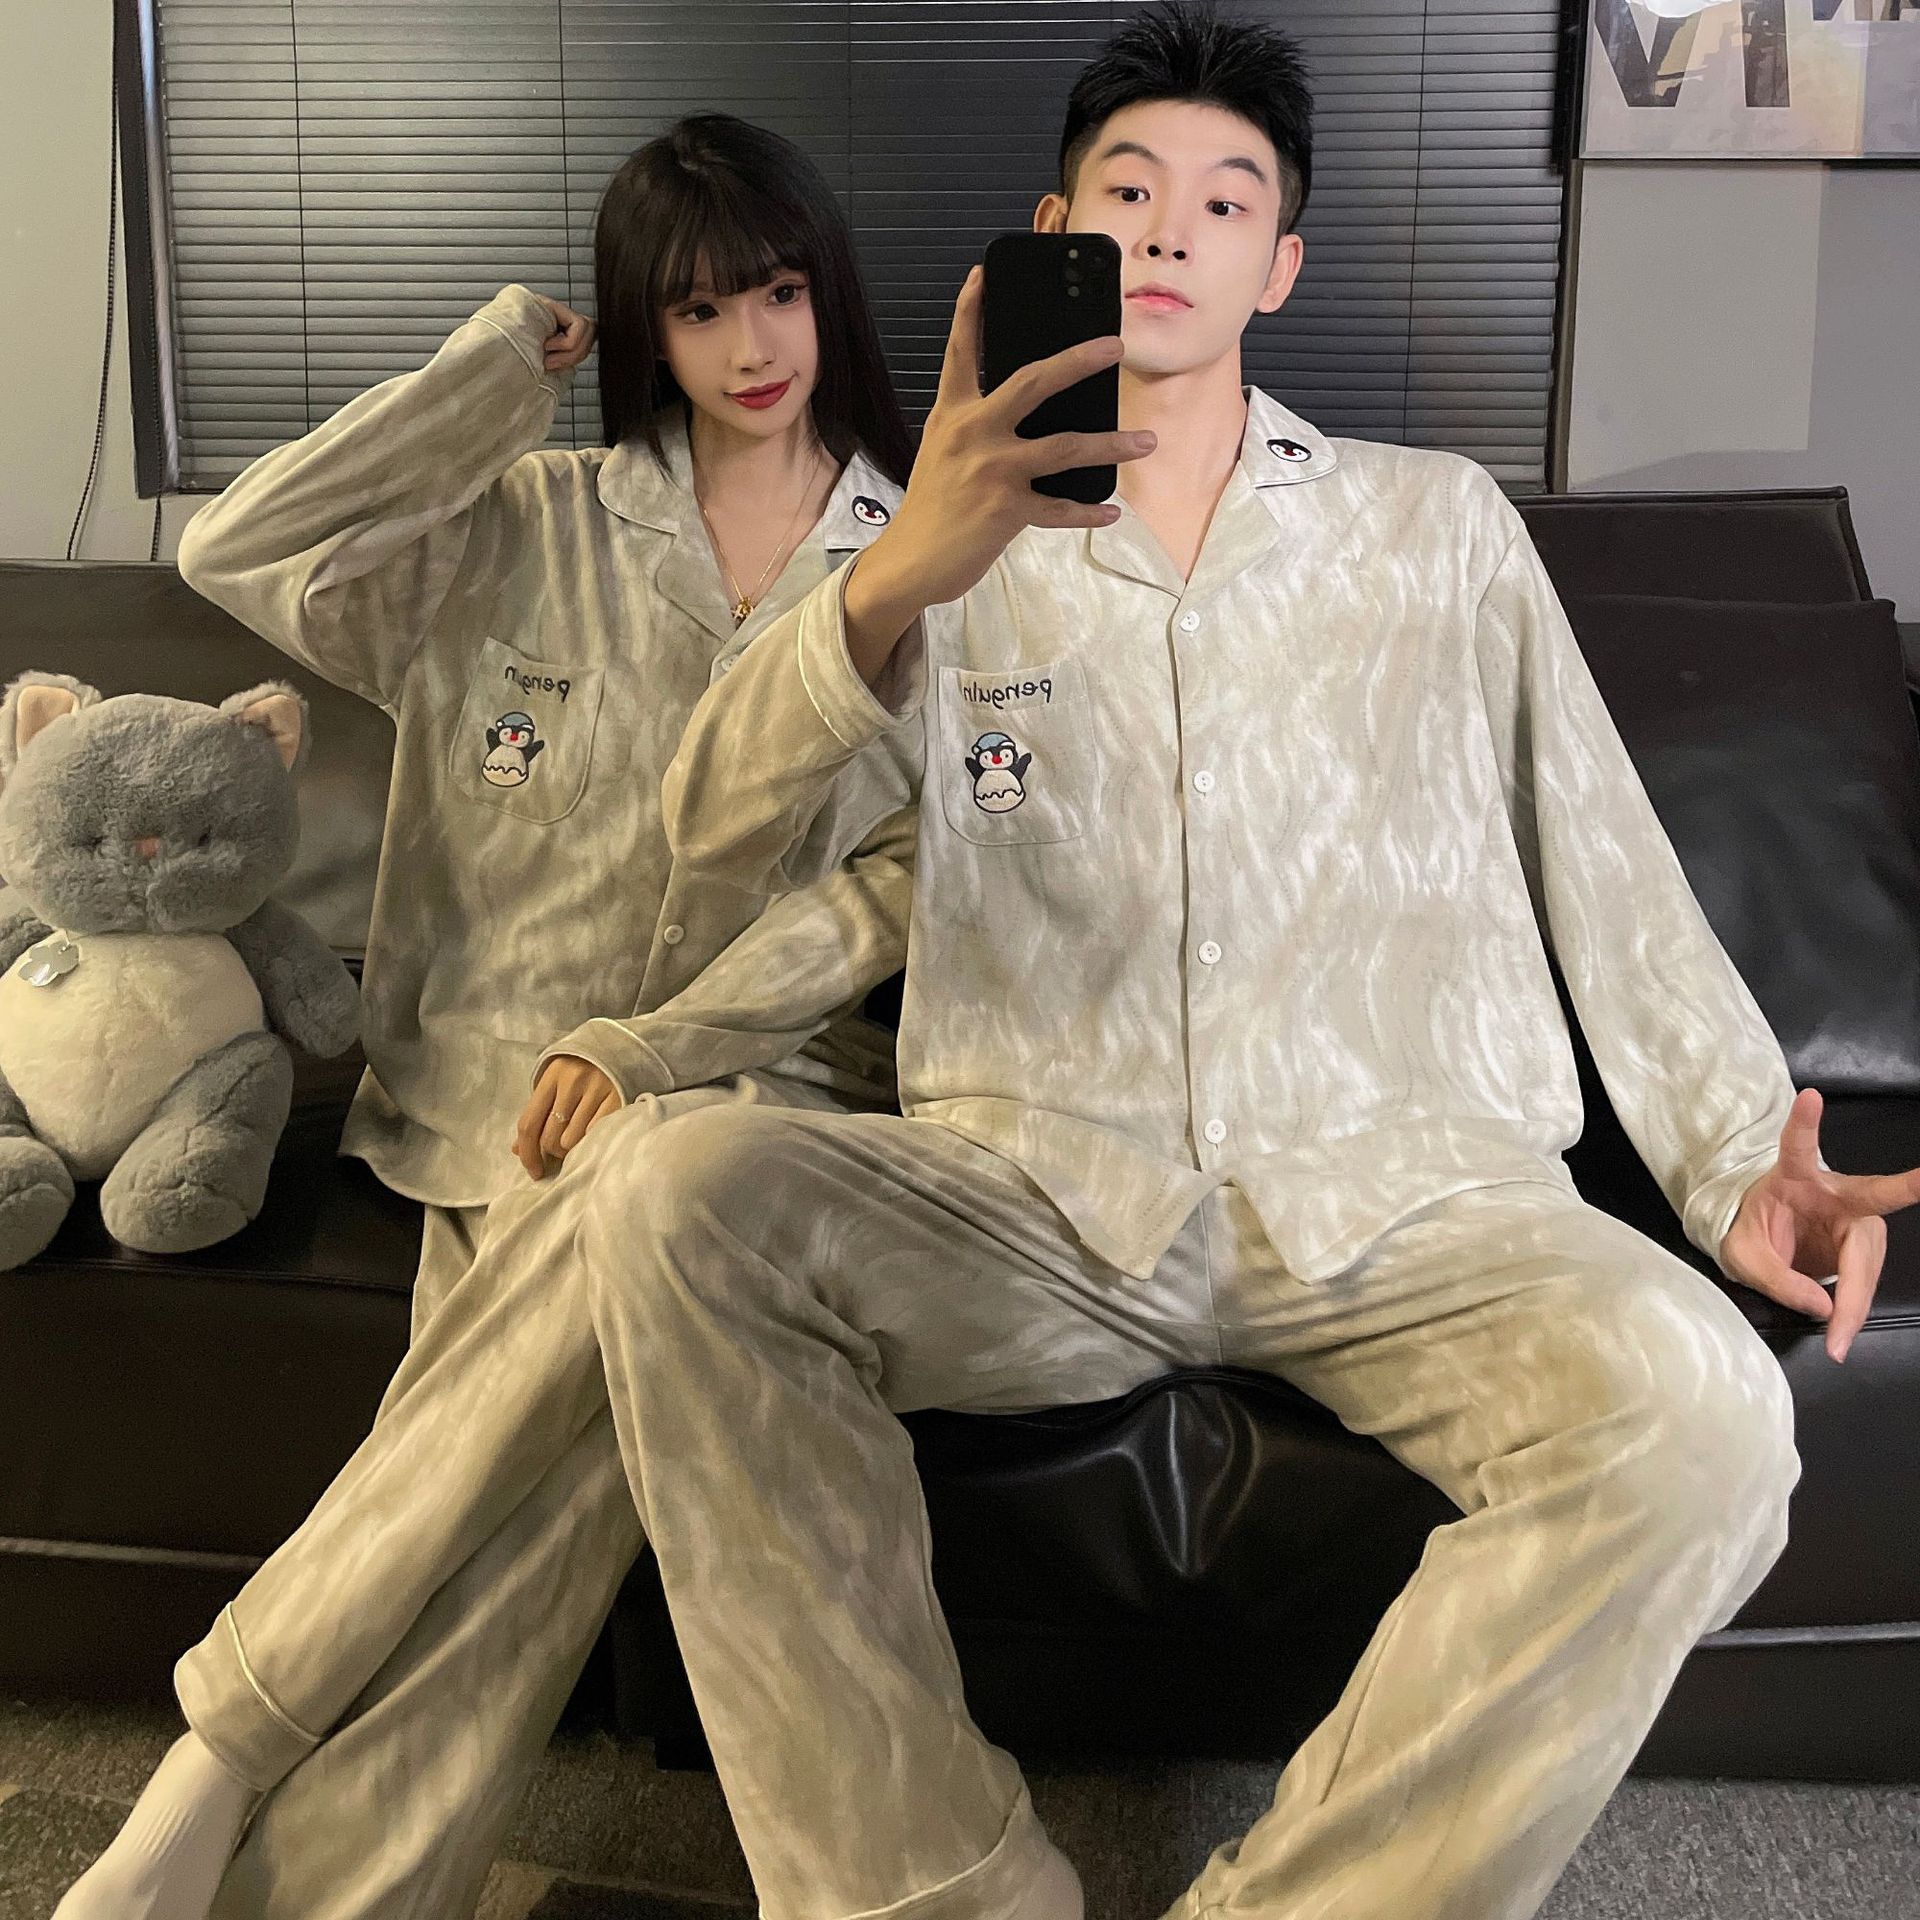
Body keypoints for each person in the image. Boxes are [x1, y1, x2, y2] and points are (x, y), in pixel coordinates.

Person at [562, 5, 1918, 1920]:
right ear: (1056, 232)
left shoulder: (1431, 529)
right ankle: (937, 1893)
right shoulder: (935, 543)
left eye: (1224, 200)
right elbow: (714, 828)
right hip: (1045, 1189)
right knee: (678, 1197)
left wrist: (1728, 1153)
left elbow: (1603, 854)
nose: (1172, 229)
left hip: (1409, 1193)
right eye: (1129, 191)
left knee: (1707, 1418)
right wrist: (899, 571)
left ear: (1280, 265)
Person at [55, 114, 918, 1920]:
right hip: (502, 1100)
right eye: (699, 310)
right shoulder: (519, 524)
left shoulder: (916, 557)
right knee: (535, 1498)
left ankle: (216, 1764)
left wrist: (675, 1057)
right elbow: (242, 544)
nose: (752, 344)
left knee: (530, 1417)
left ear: (827, 289)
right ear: (645, 329)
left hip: (752, 1102)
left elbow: (903, 880)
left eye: (776, 292)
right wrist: (489, 378)